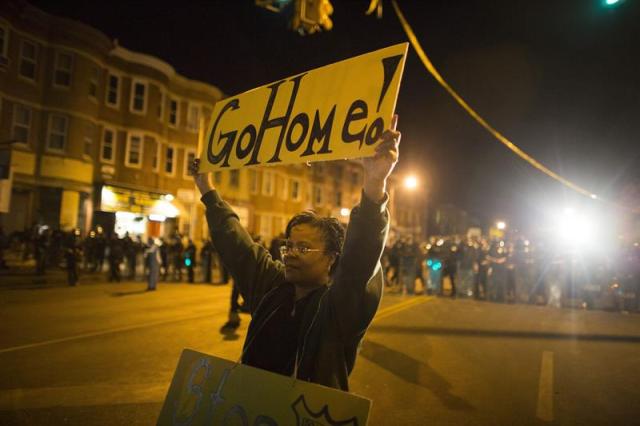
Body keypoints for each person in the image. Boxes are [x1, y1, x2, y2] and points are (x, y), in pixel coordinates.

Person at [189, 116, 400, 391]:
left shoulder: (339, 308)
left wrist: (375, 183)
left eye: (304, 248)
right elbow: (237, 246)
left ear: (331, 258)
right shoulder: (271, 288)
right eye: (289, 245)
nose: (290, 254)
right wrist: (207, 189)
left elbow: (360, 259)